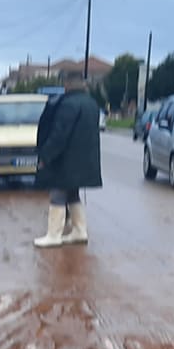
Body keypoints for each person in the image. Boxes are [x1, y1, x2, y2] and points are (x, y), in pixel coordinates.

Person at [33, 80, 102, 248]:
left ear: (66, 85)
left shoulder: (67, 104)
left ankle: (54, 235)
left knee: (57, 193)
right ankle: (80, 231)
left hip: (66, 159)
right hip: (85, 158)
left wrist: (46, 155)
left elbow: (60, 133)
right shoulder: (91, 103)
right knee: (72, 194)